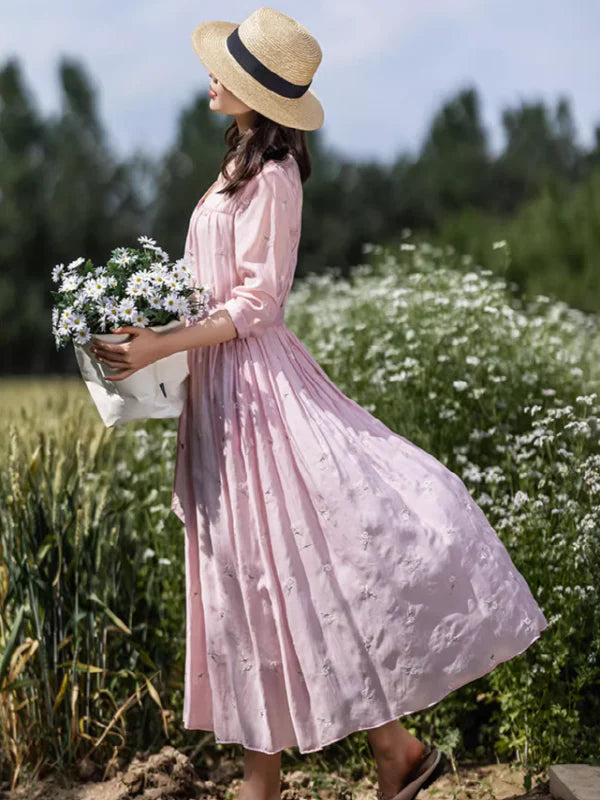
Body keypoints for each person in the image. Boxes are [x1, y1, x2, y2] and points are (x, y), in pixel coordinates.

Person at [89, 7, 549, 800]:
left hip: (256, 393)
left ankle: (314, 772)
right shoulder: (238, 164)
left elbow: (258, 302)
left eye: (228, 70)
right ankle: (387, 754)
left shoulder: (273, 176)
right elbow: (210, 286)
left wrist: (163, 345)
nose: (212, 77)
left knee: (285, 568)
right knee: (255, 580)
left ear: (258, 91)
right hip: (222, 391)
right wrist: (145, 324)